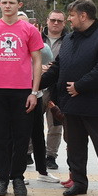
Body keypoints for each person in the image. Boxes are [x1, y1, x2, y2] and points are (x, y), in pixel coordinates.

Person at [39, 0, 98, 196]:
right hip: (71, 104)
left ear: (83, 16)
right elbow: (58, 67)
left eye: (71, 15)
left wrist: (80, 86)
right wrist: (35, 83)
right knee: (75, 146)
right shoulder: (69, 40)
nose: (69, 19)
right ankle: (78, 182)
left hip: (96, 105)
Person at [0, 0, 43, 196]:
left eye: (12, 3)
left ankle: (18, 178)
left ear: (19, 5)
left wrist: (34, 91)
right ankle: (1, 178)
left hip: (23, 92)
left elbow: (37, 60)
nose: (8, 6)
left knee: (21, 138)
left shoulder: (29, 30)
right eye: (4, 2)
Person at [31, 10, 68, 177]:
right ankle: (28, 152)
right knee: (31, 121)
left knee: (55, 124)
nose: (56, 23)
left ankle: (51, 155)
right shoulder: (37, 37)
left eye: (59, 21)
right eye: (53, 20)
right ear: (47, 21)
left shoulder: (69, 40)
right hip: (36, 87)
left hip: (56, 88)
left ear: (64, 23)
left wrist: (53, 69)